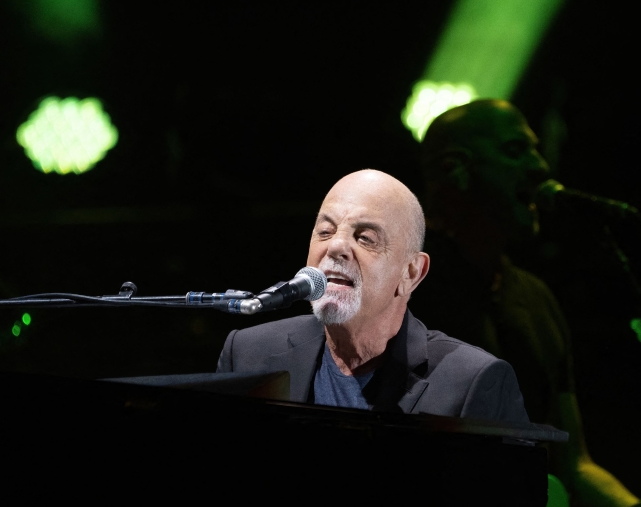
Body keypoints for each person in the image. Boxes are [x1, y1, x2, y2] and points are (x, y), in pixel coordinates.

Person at [413, 99, 641, 507]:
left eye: (536, 150)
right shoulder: (395, 295)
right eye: (514, 150)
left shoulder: (535, 300)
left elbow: (574, 465)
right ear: (455, 171)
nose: (540, 166)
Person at [215, 168, 528, 422]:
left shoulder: (473, 381)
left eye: (365, 238)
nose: (335, 246)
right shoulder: (246, 354)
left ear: (411, 273)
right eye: (325, 232)